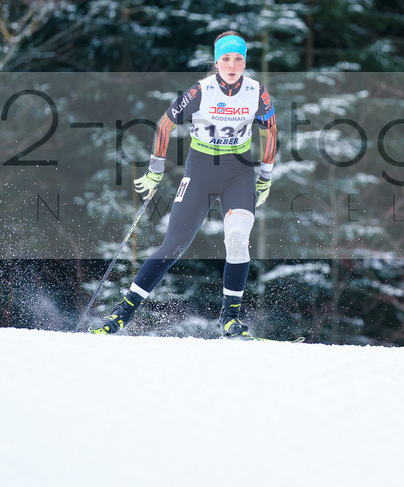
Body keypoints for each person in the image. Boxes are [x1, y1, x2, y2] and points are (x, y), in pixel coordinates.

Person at [91, 31, 278, 337]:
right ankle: (122, 314)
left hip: (238, 172)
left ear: (245, 61)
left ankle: (230, 318)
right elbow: (165, 124)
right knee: (174, 244)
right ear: (216, 62)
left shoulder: (257, 92)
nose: (232, 65)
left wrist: (265, 175)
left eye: (238, 59)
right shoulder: (201, 91)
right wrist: (155, 171)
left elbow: (270, 130)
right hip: (200, 170)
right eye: (226, 59)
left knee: (236, 237)